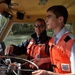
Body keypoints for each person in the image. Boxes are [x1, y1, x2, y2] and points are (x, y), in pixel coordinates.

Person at [32, 5, 75, 75]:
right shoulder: (53, 40)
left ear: (60, 19)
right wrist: (43, 60)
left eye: (49, 17)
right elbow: (60, 58)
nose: (46, 21)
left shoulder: (72, 41)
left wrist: (49, 74)